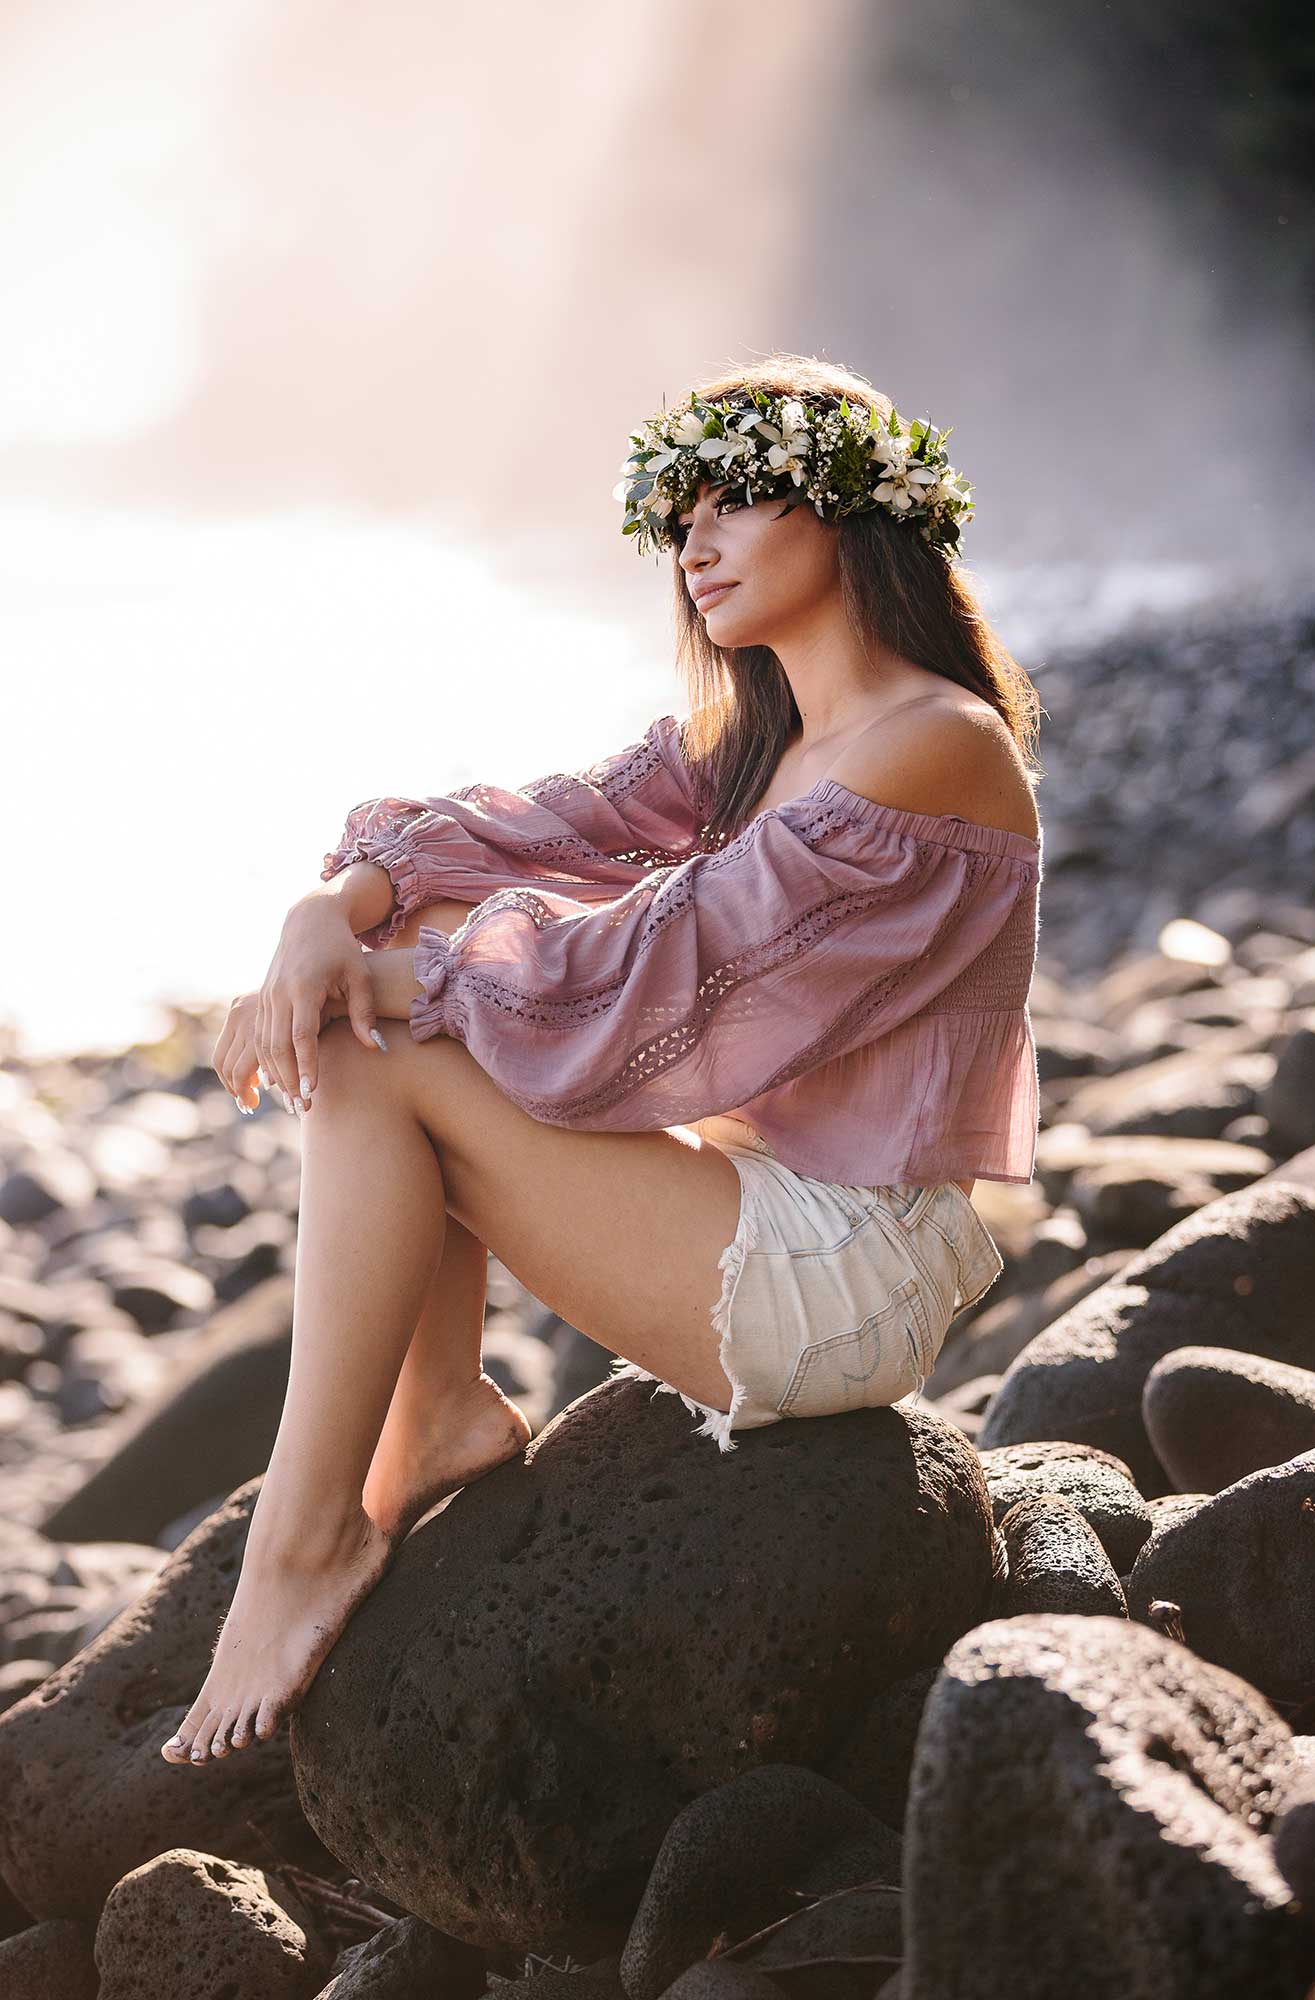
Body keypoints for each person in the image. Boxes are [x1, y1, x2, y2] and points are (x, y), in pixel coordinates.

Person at [161, 354, 1044, 1767]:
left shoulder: (932, 744)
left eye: (735, 502)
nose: (692, 545)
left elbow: (652, 969)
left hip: (846, 1274)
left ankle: (308, 1532)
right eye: (676, 514)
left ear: (851, 513)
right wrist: (318, 913)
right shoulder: (760, 738)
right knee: (405, 974)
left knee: (384, 1035)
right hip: (770, 1226)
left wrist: (376, 979)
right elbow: (513, 829)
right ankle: (431, 1413)